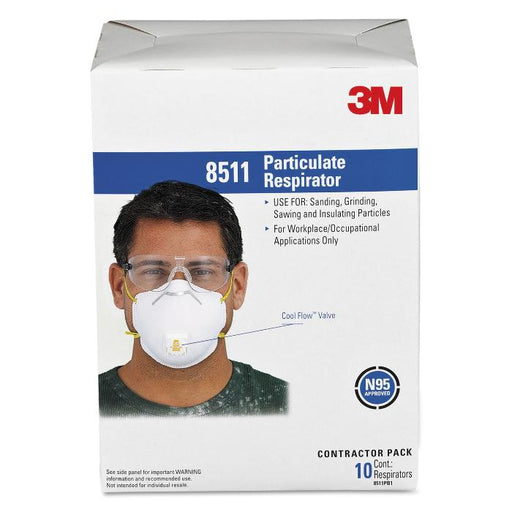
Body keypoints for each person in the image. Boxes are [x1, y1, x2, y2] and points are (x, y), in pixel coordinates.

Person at [99, 180, 288, 416]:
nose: (177, 291)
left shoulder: (283, 404)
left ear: (237, 286)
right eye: (154, 271)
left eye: (202, 272)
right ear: (119, 286)